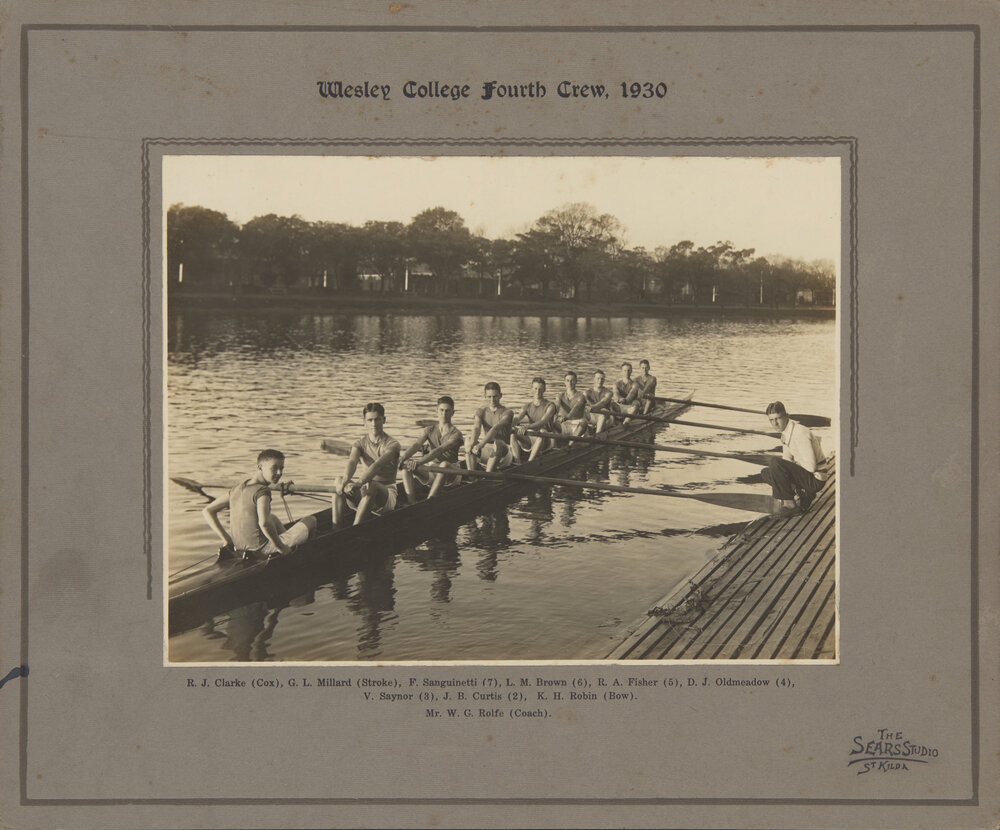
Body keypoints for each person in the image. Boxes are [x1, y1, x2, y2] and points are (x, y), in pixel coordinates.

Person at [202, 449, 317, 562]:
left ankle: (288, 543)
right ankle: (306, 559)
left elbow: (208, 511)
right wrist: (281, 548)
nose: (279, 473)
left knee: (272, 518)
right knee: (311, 520)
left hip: (240, 549)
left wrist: (227, 540)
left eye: (281, 468)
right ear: (260, 467)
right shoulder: (263, 491)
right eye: (274, 468)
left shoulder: (236, 489)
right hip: (261, 551)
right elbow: (264, 524)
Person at [332, 402, 402, 526]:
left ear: (384, 420)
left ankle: (354, 529)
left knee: (373, 485)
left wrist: (358, 483)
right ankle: (335, 528)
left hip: (387, 496)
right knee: (339, 480)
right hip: (365, 491)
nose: (373, 424)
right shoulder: (359, 443)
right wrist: (344, 483)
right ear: (364, 421)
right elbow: (352, 462)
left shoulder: (393, 444)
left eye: (377, 419)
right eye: (370, 420)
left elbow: (377, 465)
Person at [760, 401, 829, 515]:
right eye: (771, 420)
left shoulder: (799, 433)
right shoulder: (786, 432)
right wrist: (782, 473)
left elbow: (811, 467)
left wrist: (788, 468)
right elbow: (786, 459)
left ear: (787, 416)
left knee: (774, 462)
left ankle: (790, 506)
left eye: (778, 418)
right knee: (766, 472)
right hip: (807, 476)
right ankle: (801, 493)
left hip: (815, 479)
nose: (775, 423)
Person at [399, 395, 465, 502]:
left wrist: (418, 463)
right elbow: (416, 445)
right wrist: (402, 458)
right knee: (407, 467)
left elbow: (439, 450)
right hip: (433, 471)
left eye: (447, 411)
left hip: (452, 474)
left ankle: (429, 501)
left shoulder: (456, 434)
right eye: (441, 410)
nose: (444, 414)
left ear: (453, 413)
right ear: (437, 411)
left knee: (444, 465)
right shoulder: (429, 430)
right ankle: (412, 504)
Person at [465, 381, 514, 472]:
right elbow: (476, 428)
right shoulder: (481, 411)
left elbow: (495, 428)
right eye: (489, 397)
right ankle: (471, 476)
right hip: (488, 450)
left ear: (500, 396)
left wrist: (480, 445)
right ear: (485, 396)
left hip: (504, 455)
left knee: (498, 442)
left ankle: (487, 477)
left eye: (495, 396)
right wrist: (472, 444)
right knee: (468, 440)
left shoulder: (507, 412)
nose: (492, 400)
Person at [510, 377, 557, 463]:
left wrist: (527, 426)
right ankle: (517, 461)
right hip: (531, 435)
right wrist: (508, 424)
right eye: (535, 389)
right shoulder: (527, 406)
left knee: (541, 432)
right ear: (532, 389)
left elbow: (542, 422)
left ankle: (530, 463)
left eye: (540, 389)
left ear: (544, 390)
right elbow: (517, 418)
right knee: (513, 435)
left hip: (546, 438)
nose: (537, 392)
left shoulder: (550, 406)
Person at [553, 371, 588, 437]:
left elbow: (576, 408)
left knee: (584, 423)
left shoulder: (581, 396)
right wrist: (554, 417)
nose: (570, 383)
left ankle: (570, 444)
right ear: (565, 382)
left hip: (577, 423)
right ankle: (554, 443)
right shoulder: (560, 395)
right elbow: (557, 406)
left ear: (576, 382)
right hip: (564, 424)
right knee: (551, 423)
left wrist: (567, 417)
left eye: (572, 380)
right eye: (568, 380)